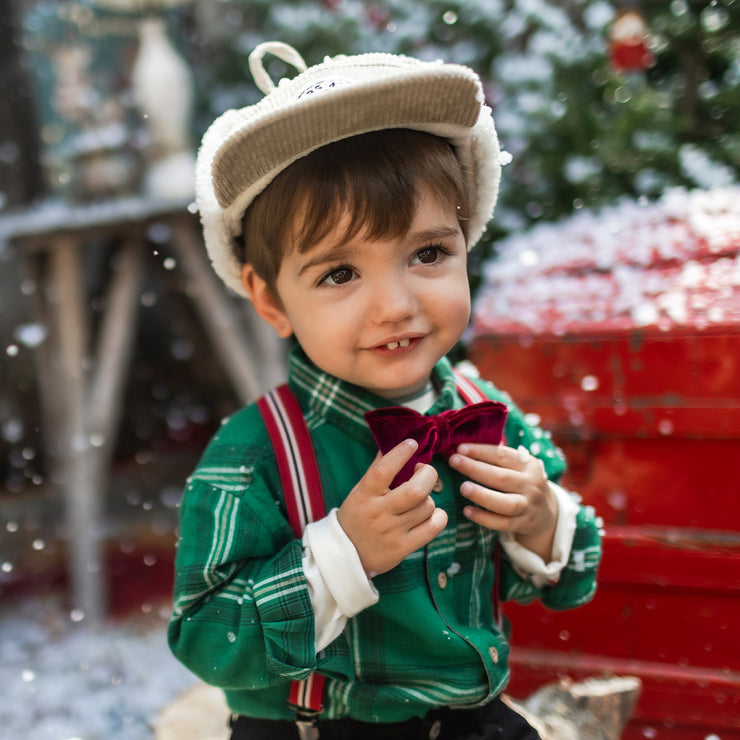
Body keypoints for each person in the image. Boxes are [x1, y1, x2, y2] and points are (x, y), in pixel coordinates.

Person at [168, 41, 602, 740]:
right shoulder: (255, 454)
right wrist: (341, 556)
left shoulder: (479, 409)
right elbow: (205, 640)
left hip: (471, 723)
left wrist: (539, 517)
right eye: (340, 274)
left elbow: (570, 575)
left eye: (428, 254)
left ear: (466, 243)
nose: (396, 305)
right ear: (269, 298)